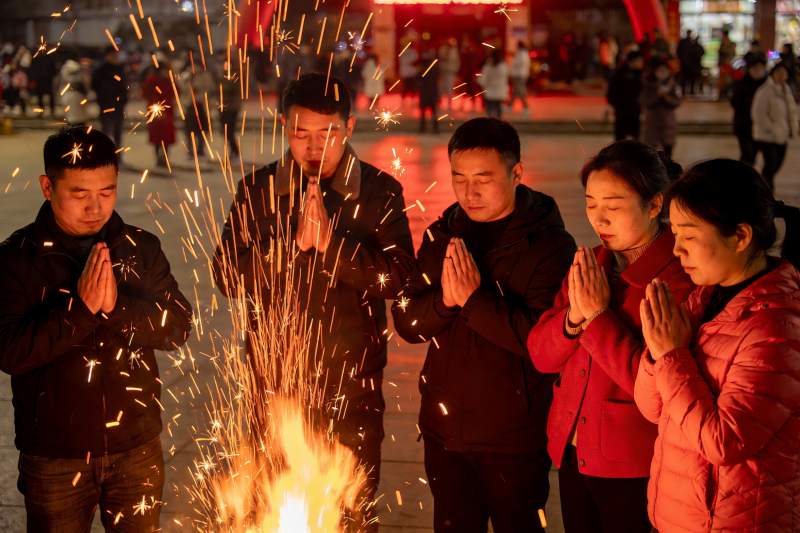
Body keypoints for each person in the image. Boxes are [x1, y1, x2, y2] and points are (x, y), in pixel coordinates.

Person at [212, 73, 415, 533]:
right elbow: (225, 274)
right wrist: (286, 247)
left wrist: (332, 247)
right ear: (285, 127)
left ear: (349, 127)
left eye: (329, 133)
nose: (314, 147)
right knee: (270, 506)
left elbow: (399, 277)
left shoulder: (380, 192)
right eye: (302, 133)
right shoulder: (258, 190)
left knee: (350, 508)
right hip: (275, 382)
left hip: (351, 385)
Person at [0, 126, 192, 532]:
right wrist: (81, 311)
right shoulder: (17, 259)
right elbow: (10, 352)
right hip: (56, 456)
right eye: (79, 194)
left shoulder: (139, 248)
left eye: (107, 192)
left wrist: (116, 308)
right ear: (47, 187)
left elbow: (177, 327)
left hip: (136, 448)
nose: (95, 207)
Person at [392, 118, 576, 533]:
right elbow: (407, 321)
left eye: (483, 179)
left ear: (516, 173)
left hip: (513, 438)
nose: (469, 193)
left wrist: (473, 302)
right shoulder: (444, 235)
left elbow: (540, 343)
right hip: (445, 433)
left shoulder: (549, 246)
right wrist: (446, 301)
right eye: (459, 178)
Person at [528, 141, 692, 533]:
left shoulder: (677, 279)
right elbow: (540, 355)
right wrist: (574, 318)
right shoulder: (591, 265)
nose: (599, 218)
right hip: (572, 449)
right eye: (590, 203)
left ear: (655, 206)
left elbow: (655, 384)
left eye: (614, 206)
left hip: (633, 462)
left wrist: (598, 317)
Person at [635, 159, 800, 532]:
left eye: (689, 236)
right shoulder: (702, 299)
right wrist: (657, 351)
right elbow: (651, 408)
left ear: (740, 237)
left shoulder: (778, 326)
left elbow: (724, 443)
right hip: (680, 515)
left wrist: (672, 356)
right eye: (674, 234)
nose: (677, 250)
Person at [751, 62, 798, 191]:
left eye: (784, 73)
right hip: (767, 136)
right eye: (779, 73)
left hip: (782, 134)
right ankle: (766, 189)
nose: (782, 76)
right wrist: (772, 128)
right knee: (770, 164)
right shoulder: (765, 91)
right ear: (773, 74)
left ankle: (763, 185)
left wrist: (792, 127)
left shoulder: (786, 90)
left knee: (777, 164)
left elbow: (791, 111)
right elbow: (759, 114)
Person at [730, 56, 767, 165]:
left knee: (754, 155)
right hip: (744, 125)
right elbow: (734, 102)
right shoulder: (742, 84)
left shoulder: (768, 85)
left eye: (760, 67)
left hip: (761, 126)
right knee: (747, 155)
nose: (758, 70)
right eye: (755, 68)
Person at [641, 58, 681, 158]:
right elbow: (644, 101)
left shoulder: (673, 85)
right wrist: (656, 95)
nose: (662, 73)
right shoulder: (648, 85)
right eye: (659, 70)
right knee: (651, 151)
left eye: (664, 70)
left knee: (668, 150)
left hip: (668, 121)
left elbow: (677, 101)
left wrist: (666, 97)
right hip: (652, 122)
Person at [91, 46, 128, 149]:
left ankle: (118, 155)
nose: (115, 57)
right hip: (106, 104)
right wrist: (102, 95)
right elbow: (94, 84)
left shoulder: (119, 68)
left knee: (118, 131)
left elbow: (124, 84)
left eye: (116, 55)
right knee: (106, 131)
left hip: (118, 104)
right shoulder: (100, 69)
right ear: (107, 55)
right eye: (113, 55)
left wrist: (124, 98)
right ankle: (105, 155)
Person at [141, 63, 176, 168]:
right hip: (155, 111)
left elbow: (177, 92)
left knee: (166, 137)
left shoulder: (168, 80)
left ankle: (164, 158)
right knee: (157, 137)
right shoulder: (151, 80)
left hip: (167, 111)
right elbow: (145, 94)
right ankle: (158, 158)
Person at [607, 50, 644, 141]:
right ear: (632, 61)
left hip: (635, 113)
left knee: (636, 140)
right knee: (620, 140)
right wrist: (620, 105)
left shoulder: (642, 75)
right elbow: (611, 94)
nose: (641, 63)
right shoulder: (619, 74)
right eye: (640, 61)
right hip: (622, 113)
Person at [479, 49, 509, 119]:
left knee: (490, 114)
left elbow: (483, 80)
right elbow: (506, 79)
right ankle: (499, 127)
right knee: (499, 112)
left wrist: (480, 82)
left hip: (490, 92)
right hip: (500, 92)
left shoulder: (488, 67)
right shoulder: (503, 66)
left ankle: (490, 127)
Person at [418, 46, 440, 133]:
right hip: (432, 93)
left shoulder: (422, 70)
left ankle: (423, 128)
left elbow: (418, 80)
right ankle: (435, 128)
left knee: (424, 112)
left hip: (425, 93)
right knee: (433, 112)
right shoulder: (434, 68)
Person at [438, 38, 461, 113]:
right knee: (441, 88)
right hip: (442, 72)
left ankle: (449, 105)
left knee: (449, 89)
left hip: (450, 72)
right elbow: (441, 59)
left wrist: (455, 70)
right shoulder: (442, 49)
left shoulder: (454, 51)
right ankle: (440, 104)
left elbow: (457, 61)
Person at [510, 41, 531, 113]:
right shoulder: (523, 53)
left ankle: (526, 107)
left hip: (519, 75)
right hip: (520, 74)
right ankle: (510, 105)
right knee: (515, 91)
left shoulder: (521, 54)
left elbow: (518, 64)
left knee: (520, 90)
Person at [717, 29, 737, 100]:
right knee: (723, 81)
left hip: (727, 65)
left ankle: (725, 94)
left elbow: (731, 54)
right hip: (725, 65)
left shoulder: (728, 44)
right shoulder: (725, 43)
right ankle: (723, 94)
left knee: (726, 80)